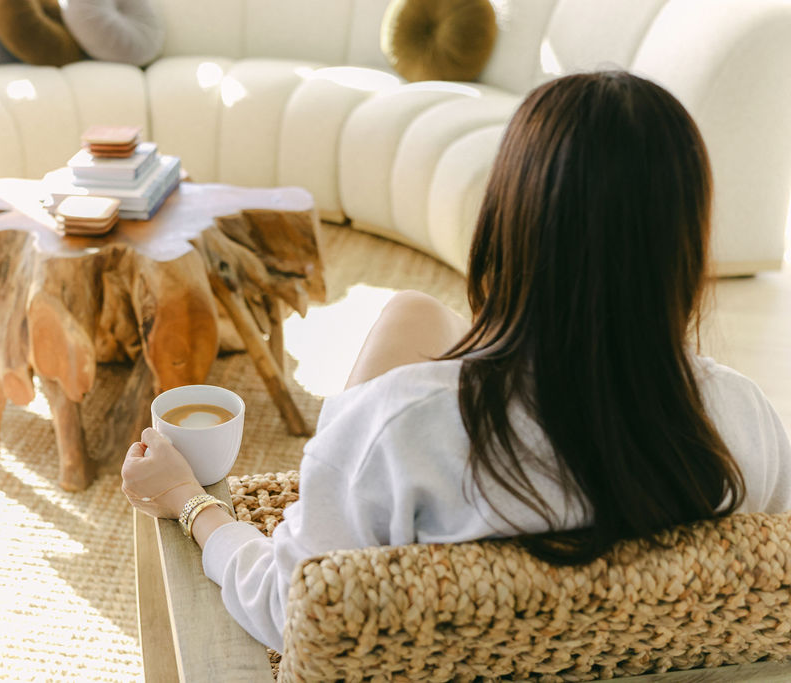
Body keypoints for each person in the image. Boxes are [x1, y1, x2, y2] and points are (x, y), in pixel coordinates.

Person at [120, 71, 791, 652]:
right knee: (417, 315)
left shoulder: (404, 430)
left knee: (413, 323)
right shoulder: (746, 421)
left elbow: (291, 610)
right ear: (686, 248)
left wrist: (190, 504)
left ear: (507, 224)